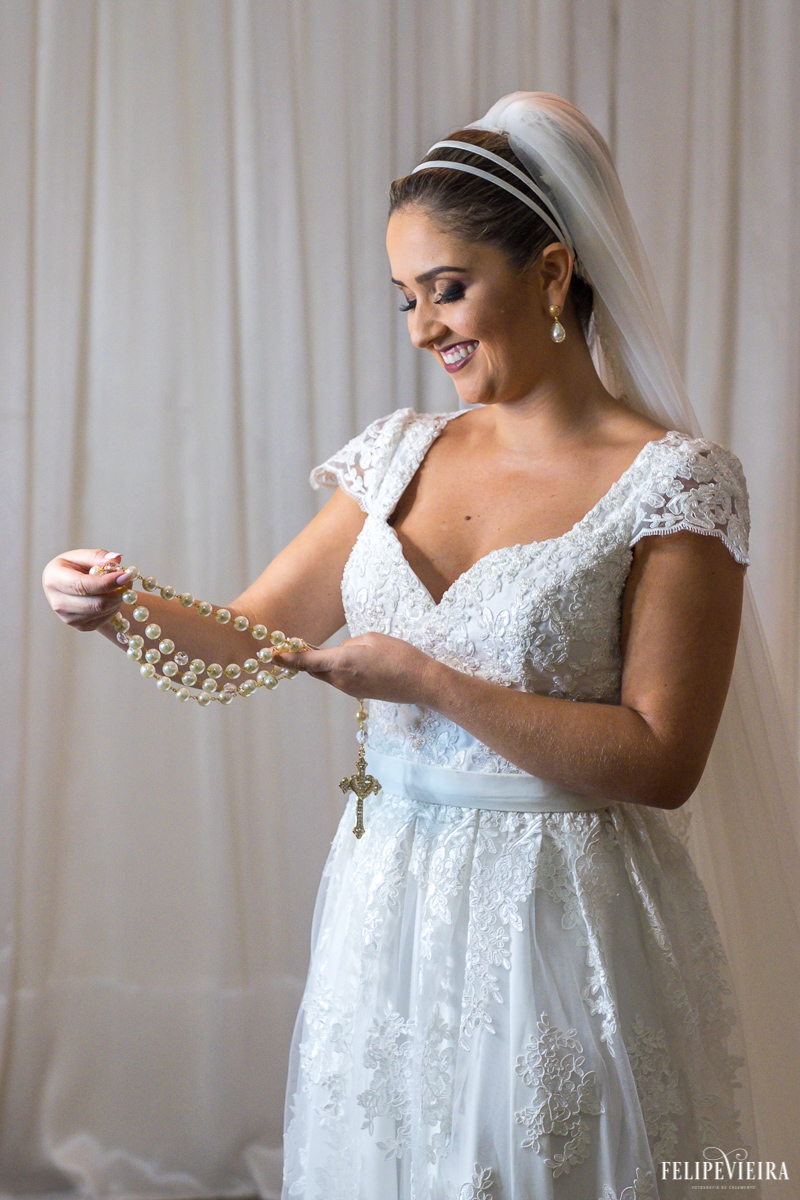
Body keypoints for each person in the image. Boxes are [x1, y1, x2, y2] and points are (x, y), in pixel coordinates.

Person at [42, 93, 791, 1200]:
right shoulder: (396, 455)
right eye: (405, 298)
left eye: (446, 289)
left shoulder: (674, 482)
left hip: (564, 921)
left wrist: (428, 683)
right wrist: (114, 602)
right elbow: (252, 635)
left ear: (550, 273)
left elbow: (661, 760)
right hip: (387, 905)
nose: (421, 329)